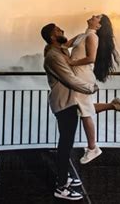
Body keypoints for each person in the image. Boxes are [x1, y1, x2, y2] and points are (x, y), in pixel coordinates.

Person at [63, 14, 120, 164]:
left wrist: (71, 63)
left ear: (99, 25)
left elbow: (91, 58)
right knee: (82, 108)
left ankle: (93, 148)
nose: (93, 16)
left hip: (83, 76)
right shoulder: (82, 35)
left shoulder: (92, 37)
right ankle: (113, 105)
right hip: (76, 76)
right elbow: (63, 47)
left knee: (84, 112)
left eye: (97, 17)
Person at [41, 23, 98, 201]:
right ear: (52, 37)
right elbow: (70, 79)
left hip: (68, 102)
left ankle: (64, 176)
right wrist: (91, 88)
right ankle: (61, 186)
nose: (62, 31)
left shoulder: (60, 50)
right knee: (65, 146)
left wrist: (89, 32)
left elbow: (75, 42)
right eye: (58, 30)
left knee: (67, 143)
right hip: (64, 103)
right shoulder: (53, 56)